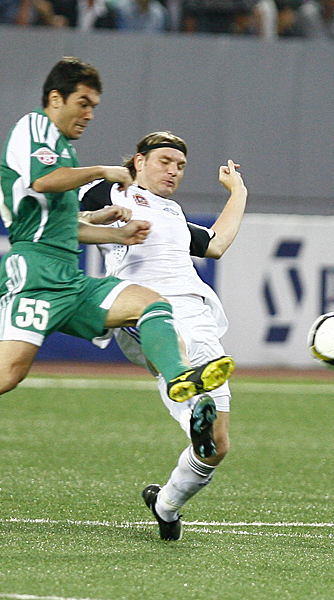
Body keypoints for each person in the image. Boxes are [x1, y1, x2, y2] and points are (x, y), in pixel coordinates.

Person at [0, 57, 235, 493]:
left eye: (94, 106)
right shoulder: (34, 129)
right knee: (4, 376)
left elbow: (66, 227)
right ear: (55, 98)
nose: (89, 114)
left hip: (68, 275)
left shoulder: (63, 148)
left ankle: (179, 375)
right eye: (83, 103)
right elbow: (43, 182)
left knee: (150, 303)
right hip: (32, 272)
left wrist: (114, 231)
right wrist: (102, 171)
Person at [79, 131, 247, 540]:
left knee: (217, 445)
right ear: (139, 161)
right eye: (165, 161)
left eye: (181, 166)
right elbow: (58, 220)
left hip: (197, 314)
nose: (173, 171)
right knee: (177, 353)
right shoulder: (110, 190)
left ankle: (167, 504)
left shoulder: (172, 212)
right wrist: (101, 219)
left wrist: (238, 191)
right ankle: (193, 409)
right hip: (140, 306)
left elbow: (215, 244)